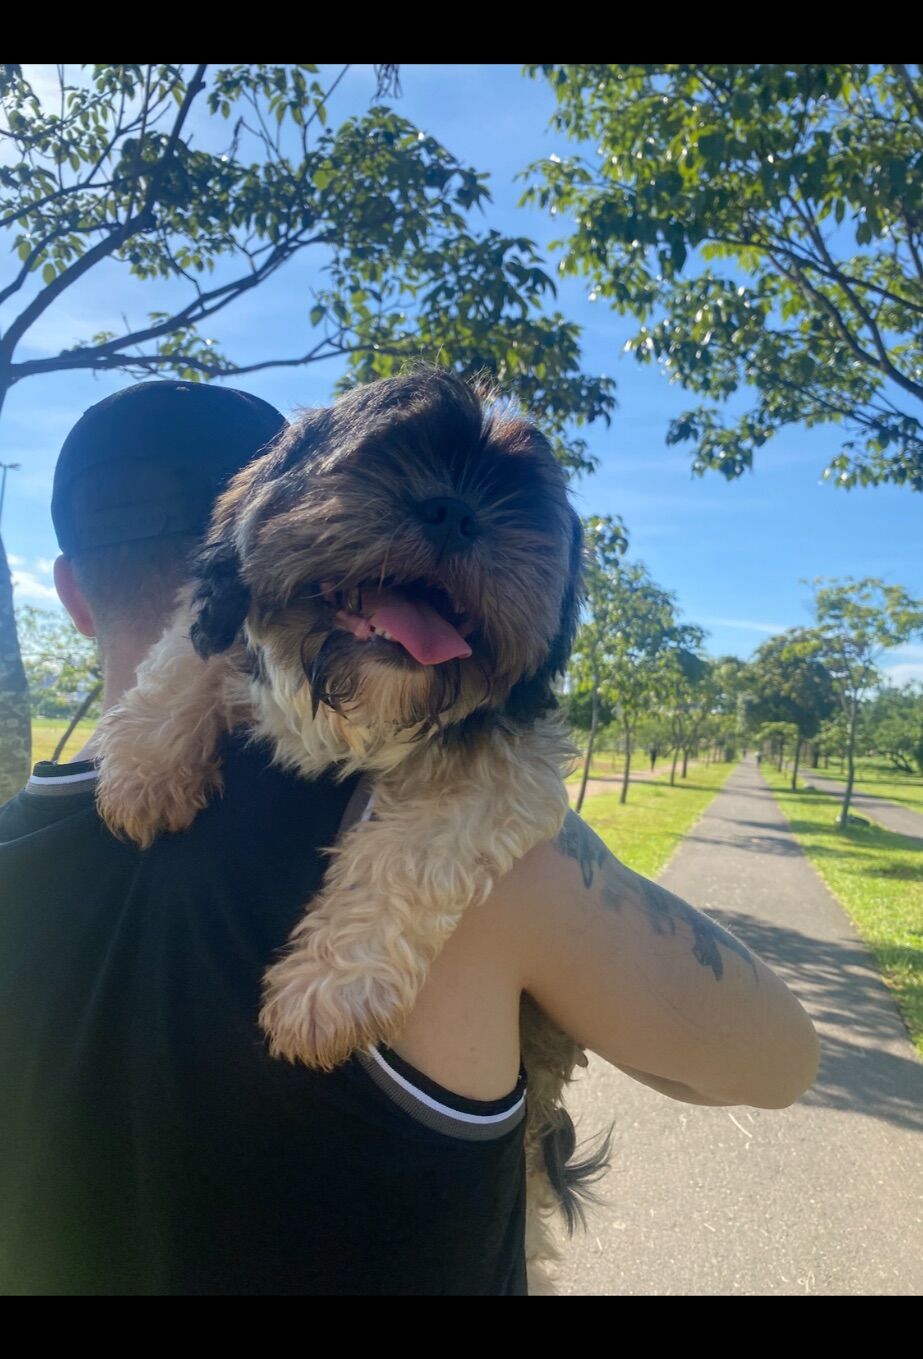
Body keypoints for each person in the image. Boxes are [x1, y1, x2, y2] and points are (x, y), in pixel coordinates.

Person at [0, 382, 819, 1296]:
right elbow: (776, 1061)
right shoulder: (488, 855)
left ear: (71, 594)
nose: (452, 518)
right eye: (393, 478)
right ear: (234, 544)